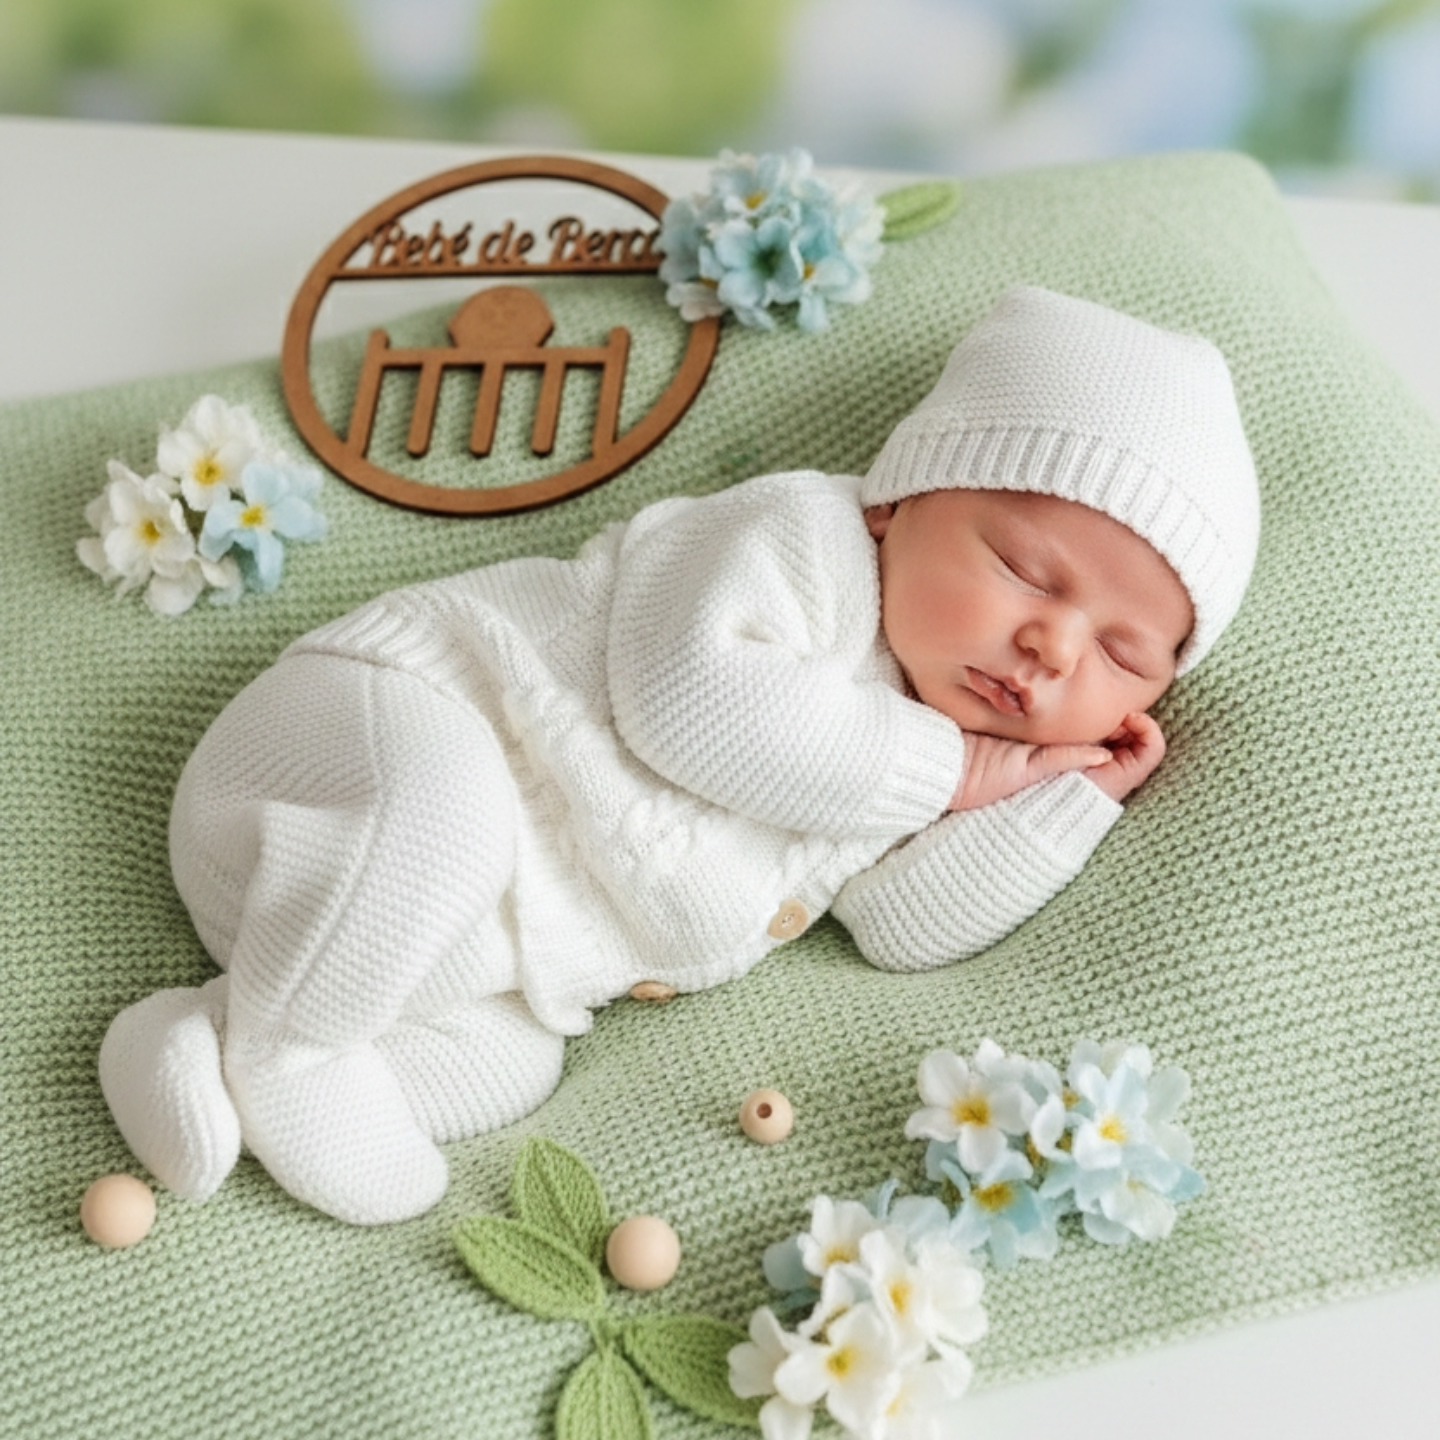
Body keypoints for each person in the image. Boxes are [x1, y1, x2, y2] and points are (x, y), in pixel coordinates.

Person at [99, 286, 1260, 1225]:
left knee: (510, 1065)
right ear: (898, 504)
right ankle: (292, 1057)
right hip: (376, 735)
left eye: (1121, 652)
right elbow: (691, 704)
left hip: (366, 935)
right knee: (441, 818)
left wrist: (1055, 801)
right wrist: (946, 773)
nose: (1051, 648)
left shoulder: (935, 755)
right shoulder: (801, 543)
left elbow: (901, 930)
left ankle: (206, 1039)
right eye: (1024, 569)